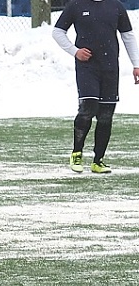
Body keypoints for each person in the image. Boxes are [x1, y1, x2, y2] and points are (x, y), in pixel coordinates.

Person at [52, 0, 139, 174]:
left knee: (106, 114)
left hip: (110, 67)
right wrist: (75, 51)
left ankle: (98, 160)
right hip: (87, 67)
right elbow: (57, 32)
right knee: (88, 107)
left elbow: (127, 36)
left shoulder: (116, 6)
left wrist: (136, 65)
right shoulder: (76, 5)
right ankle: (77, 152)